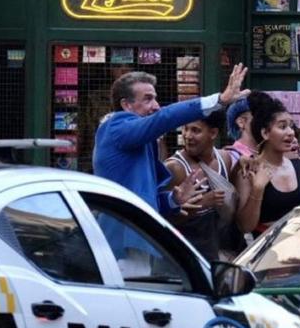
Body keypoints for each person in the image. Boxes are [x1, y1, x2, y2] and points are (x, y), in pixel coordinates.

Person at [92, 64, 249, 216]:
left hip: (141, 233)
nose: (156, 106)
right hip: (120, 234)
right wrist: (219, 100)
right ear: (126, 105)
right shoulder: (115, 128)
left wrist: (174, 199)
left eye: (155, 98)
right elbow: (163, 118)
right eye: (148, 99)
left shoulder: (140, 140)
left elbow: (149, 201)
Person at [164, 111, 237, 261]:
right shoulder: (175, 168)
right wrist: (203, 203)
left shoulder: (225, 159)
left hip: (218, 255)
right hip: (183, 259)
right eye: (185, 128)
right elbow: (164, 220)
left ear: (213, 133)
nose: (187, 136)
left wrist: (243, 163)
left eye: (195, 130)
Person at [235, 97, 300, 236]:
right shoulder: (250, 168)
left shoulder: (297, 166)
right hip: (270, 253)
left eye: (291, 126)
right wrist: (258, 189)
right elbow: (245, 226)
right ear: (265, 133)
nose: (291, 132)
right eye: (282, 127)